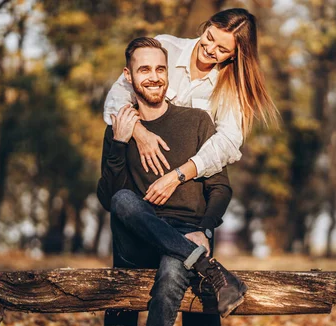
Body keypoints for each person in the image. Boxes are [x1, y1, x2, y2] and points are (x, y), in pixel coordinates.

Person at [97, 37, 247, 326]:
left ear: (168, 74)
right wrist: (119, 145)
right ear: (128, 77)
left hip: (185, 235)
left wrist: (204, 229)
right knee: (124, 199)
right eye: (143, 69)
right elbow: (108, 197)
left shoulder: (196, 121)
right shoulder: (120, 129)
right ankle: (209, 269)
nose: (153, 76)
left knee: (172, 267)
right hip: (137, 238)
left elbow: (220, 188)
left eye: (160, 69)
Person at [104, 8, 279, 207]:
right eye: (209, 37)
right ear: (206, 26)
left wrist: (179, 175)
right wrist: (140, 133)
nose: (210, 49)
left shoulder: (231, 88)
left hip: (187, 189)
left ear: (234, 56)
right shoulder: (165, 48)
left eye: (222, 50)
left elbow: (228, 141)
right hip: (142, 173)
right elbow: (115, 99)